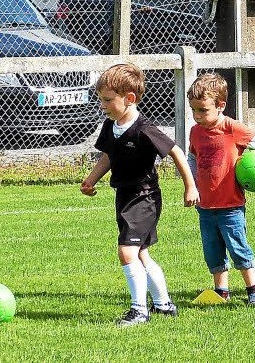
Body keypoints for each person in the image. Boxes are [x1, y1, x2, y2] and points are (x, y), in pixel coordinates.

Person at [80, 63, 199, 326]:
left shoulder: (145, 129)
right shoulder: (110, 126)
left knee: (127, 251)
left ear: (129, 99)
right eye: (101, 100)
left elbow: (177, 152)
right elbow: (108, 157)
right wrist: (91, 179)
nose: (103, 105)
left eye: (108, 100)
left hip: (144, 198)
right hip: (123, 196)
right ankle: (164, 305)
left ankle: (139, 310)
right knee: (142, 252)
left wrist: (190, 186)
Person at [186, 73, 255, 304]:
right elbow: (192, 157)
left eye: (202, 110)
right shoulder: (196, 132)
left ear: (220, 106)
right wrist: (192, 185)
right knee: (212, 250)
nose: (197, 116)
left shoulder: (232, 128)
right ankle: (221, 291)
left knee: (238, 247)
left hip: (231, 205)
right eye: (193, 110)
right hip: (205, 206)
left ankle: (254, 290)